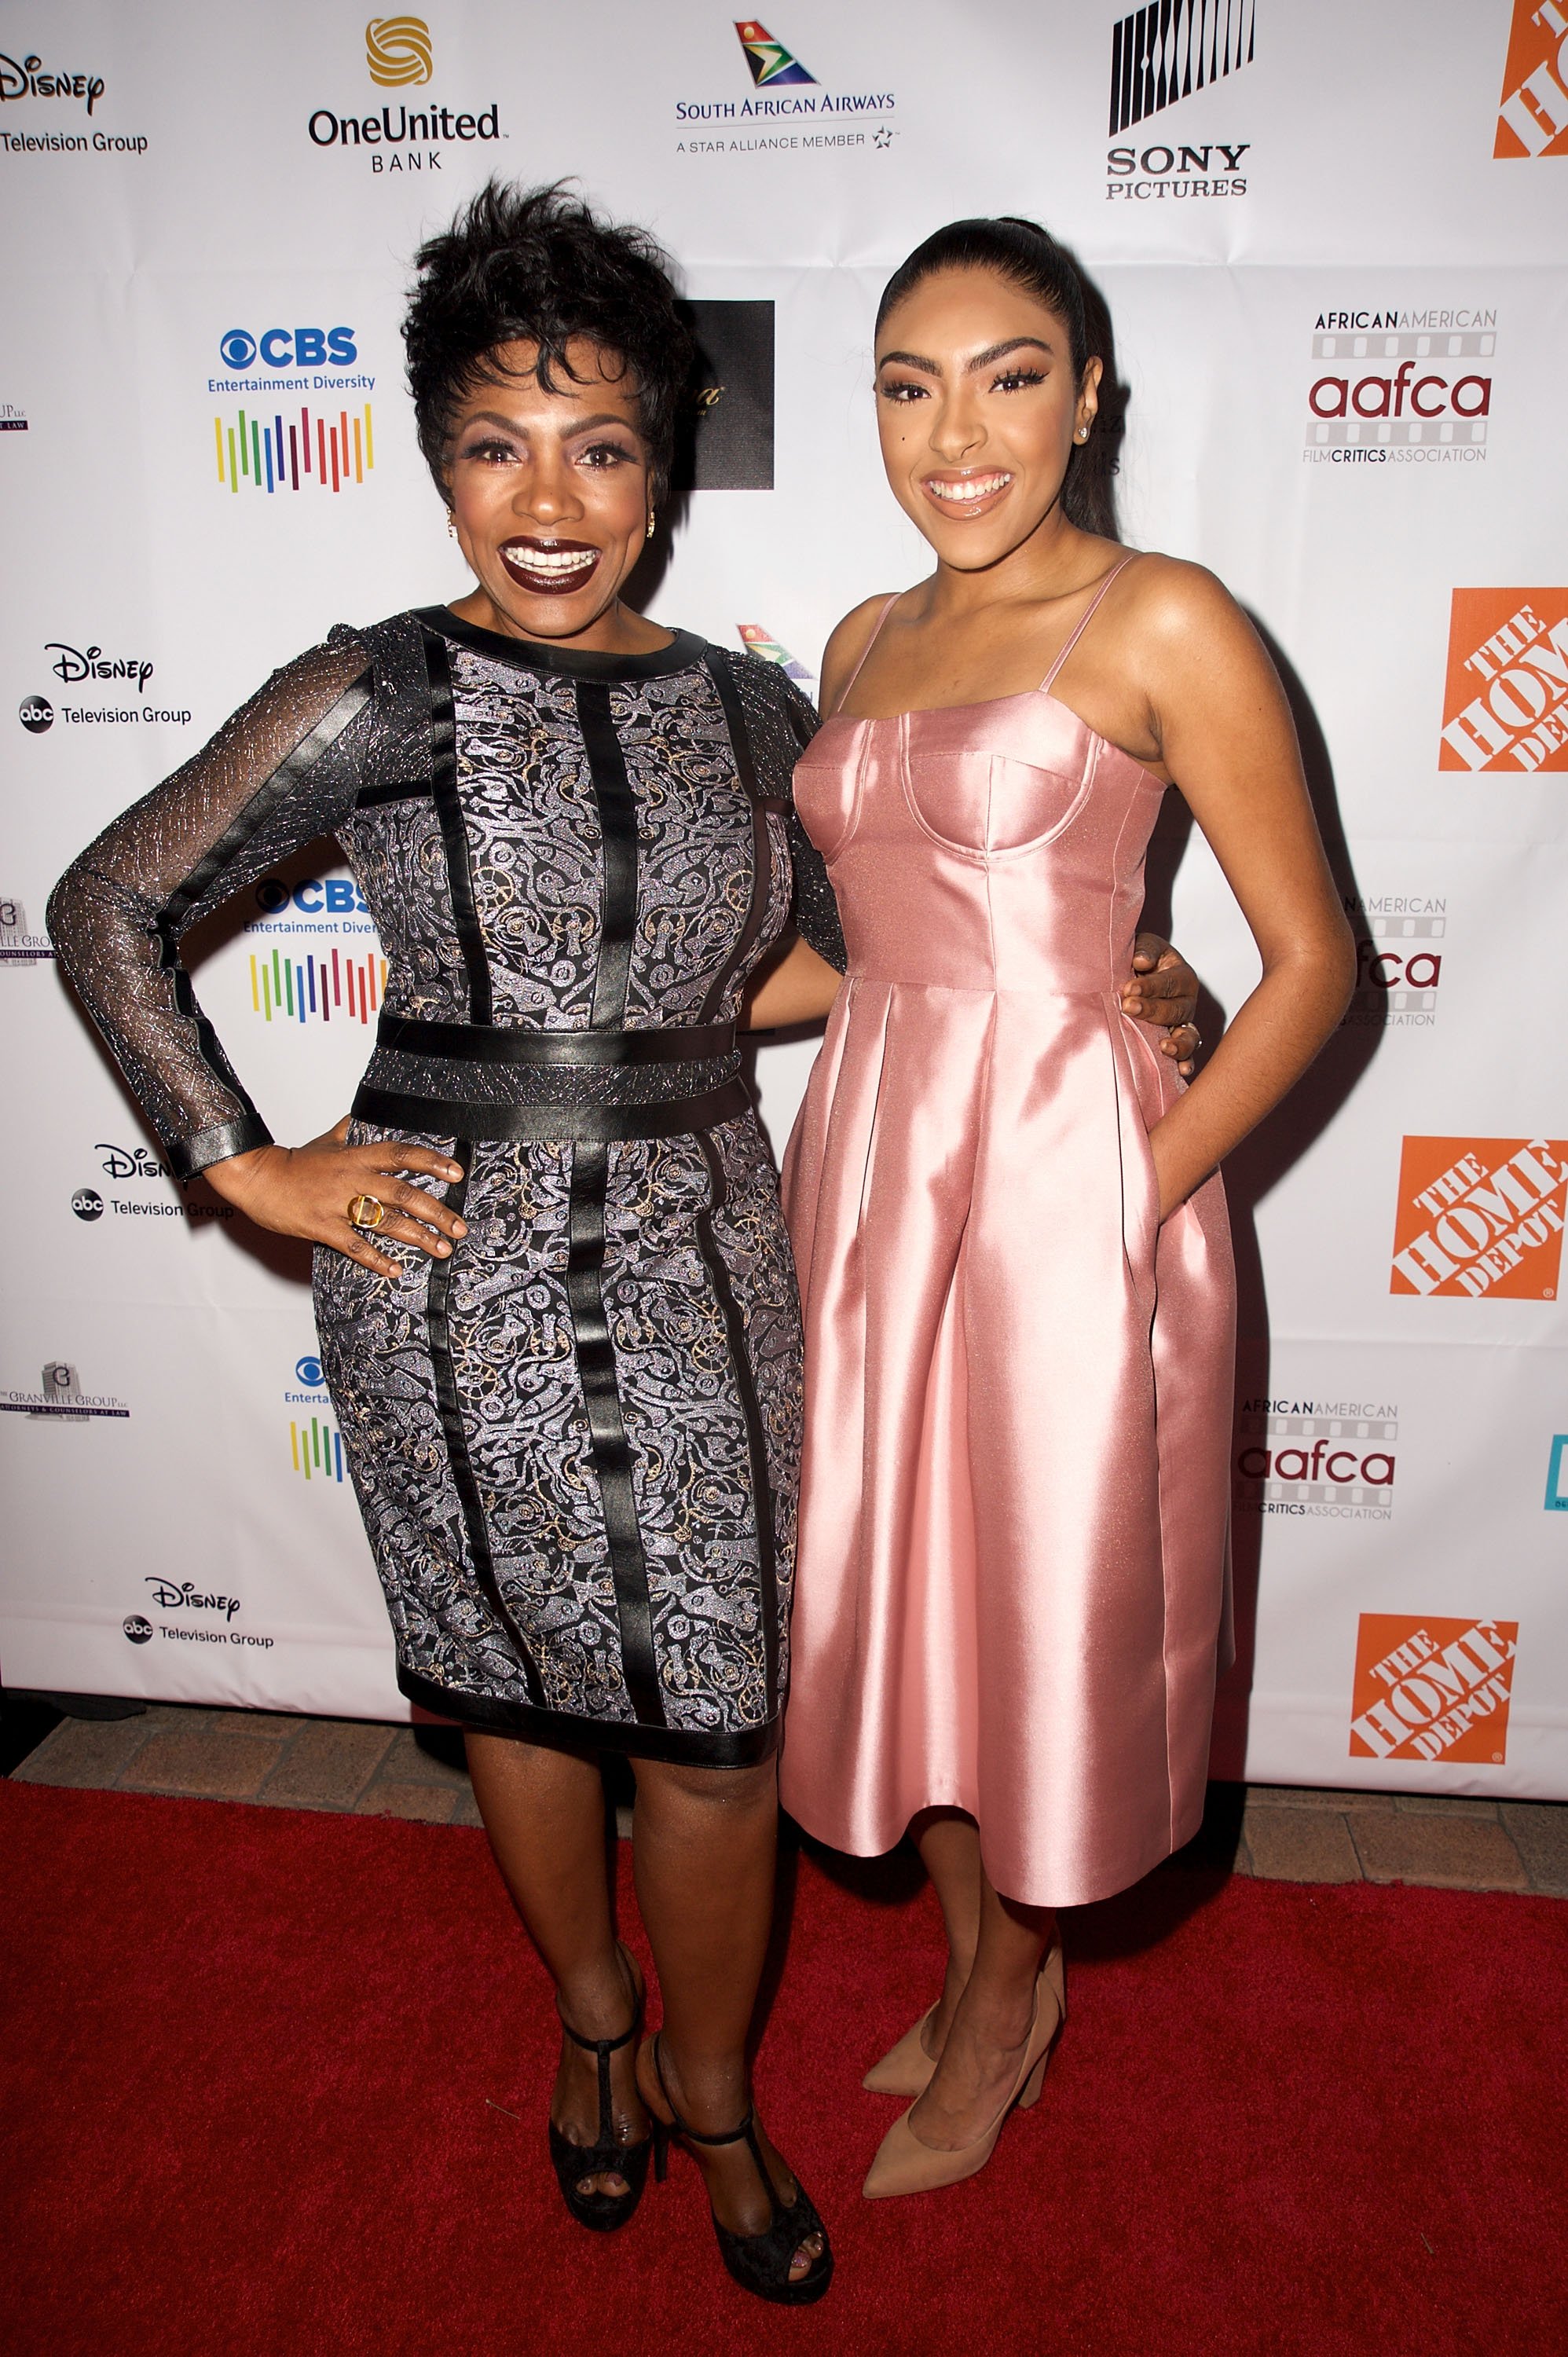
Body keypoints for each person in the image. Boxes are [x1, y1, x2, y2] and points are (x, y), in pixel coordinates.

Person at [47, 183, 1201, 2286]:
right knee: (518, 1698)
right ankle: (591, 2033)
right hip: (445, 1275)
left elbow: (877, 948)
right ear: (439, 463)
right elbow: (104, 904)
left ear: (665, 467)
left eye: (599, 447)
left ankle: (709, 2093)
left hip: (708, 1259)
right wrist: (234, 1157)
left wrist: (1138, 986)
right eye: (497, 444)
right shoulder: (375, 690)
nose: (550, 501)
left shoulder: (766, 715)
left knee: (715, 1733)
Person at [753, 217, 1355, 2199]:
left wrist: (1135, 1193)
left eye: (1007, 375)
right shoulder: (859, 642)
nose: (955, 432)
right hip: (866, 1171)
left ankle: (1013, 2002)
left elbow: (1313, 966)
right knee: (909, 1609)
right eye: (906, 384)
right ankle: (964, 1960)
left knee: (1037, 1617)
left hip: (1071, 1184)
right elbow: (866, 954)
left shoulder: (1163, 617)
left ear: (1087, 394)